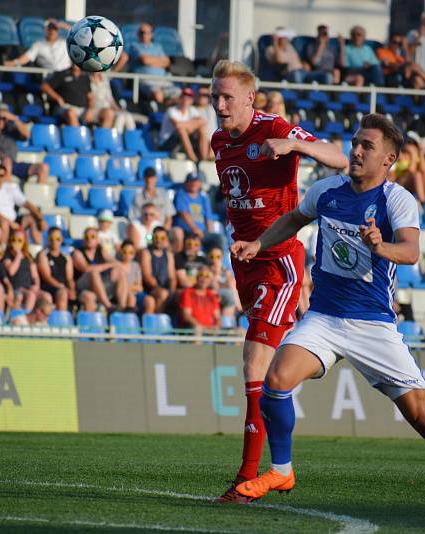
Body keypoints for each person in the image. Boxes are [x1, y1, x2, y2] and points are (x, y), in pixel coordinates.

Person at [229, 113, 425, 520]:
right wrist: (257, 242)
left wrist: (380, 245)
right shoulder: (328, 190)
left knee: (424, 417)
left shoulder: (396, 199)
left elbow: (410, 252)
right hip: (324, 317)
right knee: (277, 379)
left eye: (366, 146)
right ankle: (282, 471)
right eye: (355, 143)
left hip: (372, 324)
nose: (355, 151)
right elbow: (294, 219)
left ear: (388, 159)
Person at [209, 60, 348, 501]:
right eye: (215, 97)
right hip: (245, 261)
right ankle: (318, 349)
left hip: (280, 261)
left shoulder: (275, 127)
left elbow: (340, 158)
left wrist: (292, 145)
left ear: (250, 97)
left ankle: (246, 479)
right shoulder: (218, 141)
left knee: (252, 364)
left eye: (227, 96)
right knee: (265, 371)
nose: (219, 104)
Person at [0, 164, 47, 245]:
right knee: (4, 224)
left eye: (0, 175)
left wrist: (40, 218)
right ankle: (3, 250)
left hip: (12, 220)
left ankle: (39, 247)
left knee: (31, 219)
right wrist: (10, 223)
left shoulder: (11, 187)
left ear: (5, 176)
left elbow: (26, 203)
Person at [0, 103, 49, 184]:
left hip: (14, 163)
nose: (1, 121)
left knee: (43, 168)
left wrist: (14, 119)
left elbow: (27, 135)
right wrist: (1, 156)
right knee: (7, 162)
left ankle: (40, 195)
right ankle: (8, 192)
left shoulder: (10, 128)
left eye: (4, 118)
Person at [72, 226, 126, 312]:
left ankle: (122, 306)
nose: (89, 239)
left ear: (97, 240)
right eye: (86, 237)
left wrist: (114, 267)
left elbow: (116, 263)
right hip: (83, 284)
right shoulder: (77, 253)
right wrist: (108, 265)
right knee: (94, 272)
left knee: (119, 272)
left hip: (98, 283)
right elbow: (86, 269)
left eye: (93, 237)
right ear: (83, 240)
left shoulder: (101, 251)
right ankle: (108, 306)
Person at [129, 22, 180, 104]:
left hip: (163, 80)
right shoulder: (134, 46)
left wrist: (150, 61)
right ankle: (159, 114)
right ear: (138, 34)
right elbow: (145, 60)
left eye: (147, 33)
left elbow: (167, 62)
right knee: (158, 94)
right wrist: (159, 61)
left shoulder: (158, 47)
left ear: (151, 34)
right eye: (142, 32)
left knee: (179, 93)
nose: (144, 35)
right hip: (146, 81)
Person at [158, 87, 213, 162]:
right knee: (182, 131)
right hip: (166, 143)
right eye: (183, 98)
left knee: (202, 128)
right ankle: (194, 160)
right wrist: (191, 126)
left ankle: (204, 159)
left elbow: (202, 121)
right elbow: (178, 126)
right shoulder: (171, 110)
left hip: (181, 141)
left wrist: (189, 127)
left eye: (187, 99)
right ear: (179, 99)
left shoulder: (192, 110)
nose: (185, 101)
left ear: (191, 101)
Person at [3, 19, 72, 71]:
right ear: (45, 30)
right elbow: (27, 57)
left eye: (54, 29)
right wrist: (13, 63)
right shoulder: (38, 45)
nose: (52, 31)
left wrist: (64, 26)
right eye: (49, 29)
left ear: (58, 30)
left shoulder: (65, 42)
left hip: (66, 73)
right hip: (50, 75)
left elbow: (77, 36)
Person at [37, 227, 79, 312]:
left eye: (57, 239)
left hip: (62, 287)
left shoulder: (66, 257)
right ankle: (62, 322)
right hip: (48, 287)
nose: (54, 242)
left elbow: (70, 279)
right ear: (48, 240)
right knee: (63, 293)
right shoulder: (43, 255)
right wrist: (63, 287)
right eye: (51, 239)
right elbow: (47, 277)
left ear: (61, 240)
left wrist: (72, 290)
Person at [139, 226, 176, 313]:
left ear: (166, 239)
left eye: (162, 238)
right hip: (150, 289)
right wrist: (161, 289)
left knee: (180, 296)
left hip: (165, 288)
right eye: (156, 237)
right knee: (163, 294)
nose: (159, 240)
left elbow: (172, 277)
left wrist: (172, 291)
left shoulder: (169, 255)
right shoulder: (146, 253)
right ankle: (158, 321)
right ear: (152, 238)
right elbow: (147, 276)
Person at [4, 229, 43, 312]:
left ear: (24, 242)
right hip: (16, 288)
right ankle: (25, 320)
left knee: (47, 297)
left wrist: (36, 285)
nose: (16, 243)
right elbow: (11, 271)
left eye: (19, 241)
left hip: (28, 287)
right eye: (14, 240)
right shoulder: (7, 256)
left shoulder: (28, 257)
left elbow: (35, 276)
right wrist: (18, 256)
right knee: (30, 296)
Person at [390, 133, 425, 202]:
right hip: (399, 183)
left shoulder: (418, 156)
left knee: (424, 174)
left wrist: (421, 152)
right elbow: (411, 171)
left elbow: (424, 170)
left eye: (414, 143)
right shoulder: (399, 156)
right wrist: (413, 155)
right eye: (409, 142)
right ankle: (423, 202)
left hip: (413, 183)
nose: (411, 145)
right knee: (416, 174)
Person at [179, 264, 220, 334]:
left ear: (210, 280)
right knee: (197, 329)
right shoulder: (188, 293)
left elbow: (217, 317)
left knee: (239, 331)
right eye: (201, 275)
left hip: (210, 329)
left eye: (207, 276)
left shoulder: (212, 295)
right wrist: (202, 327)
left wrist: (217, 326)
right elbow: (186, 316)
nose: (204, 279)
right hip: (193, 328)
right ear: (197, 278)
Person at [173, 173, 214, 240]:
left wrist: (210, 235)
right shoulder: (181, 194)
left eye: (196, 181)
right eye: (191, 181)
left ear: (200, 183)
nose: (194, 184)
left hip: (202, 232)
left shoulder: (204, 198)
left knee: (219, 239)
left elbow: (209, 219)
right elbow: (183, 214)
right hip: (187, 231)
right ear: (186, 183)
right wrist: (195, 229)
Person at [207, 245, 241, 318]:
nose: (214, 259)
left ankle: (237, 307)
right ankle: (237, 309)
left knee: (232, 288)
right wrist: (216, 272)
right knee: (229, 294)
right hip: (212, 293)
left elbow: (231, 283)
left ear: (222, 257)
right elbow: (214, 285)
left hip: (226, 294)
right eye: (212, 256)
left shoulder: (226, 270)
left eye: (217, 256)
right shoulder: (207, 270)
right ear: (208, 257)